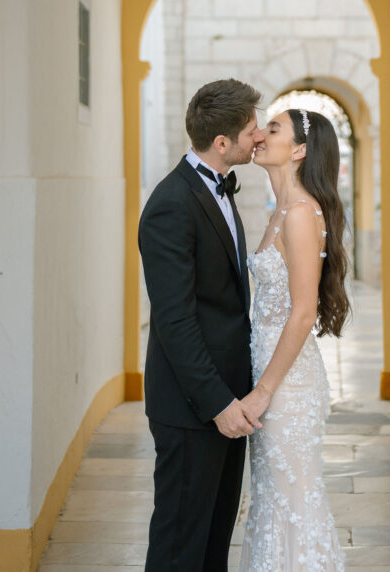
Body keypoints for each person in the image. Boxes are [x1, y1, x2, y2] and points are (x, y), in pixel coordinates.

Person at [138, 78, 264, 572]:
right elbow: (174, 321)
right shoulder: (172, 203)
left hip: (227, 399)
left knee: (213, 541)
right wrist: (217, 404)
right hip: (193, 407)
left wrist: (234, 400)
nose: (258, 137)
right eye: (252, 130)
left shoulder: (217, 190)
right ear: (222, 142)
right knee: (179, 546)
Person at [238, 108, 350, 571]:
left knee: (292, 499)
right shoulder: (281, 211)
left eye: (275, 129)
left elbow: (303, 313)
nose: (260, 135)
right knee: (271, 499)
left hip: (286, 385)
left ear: (300, 150)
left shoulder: (302, 213)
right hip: (269, 371)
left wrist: (264, 390)